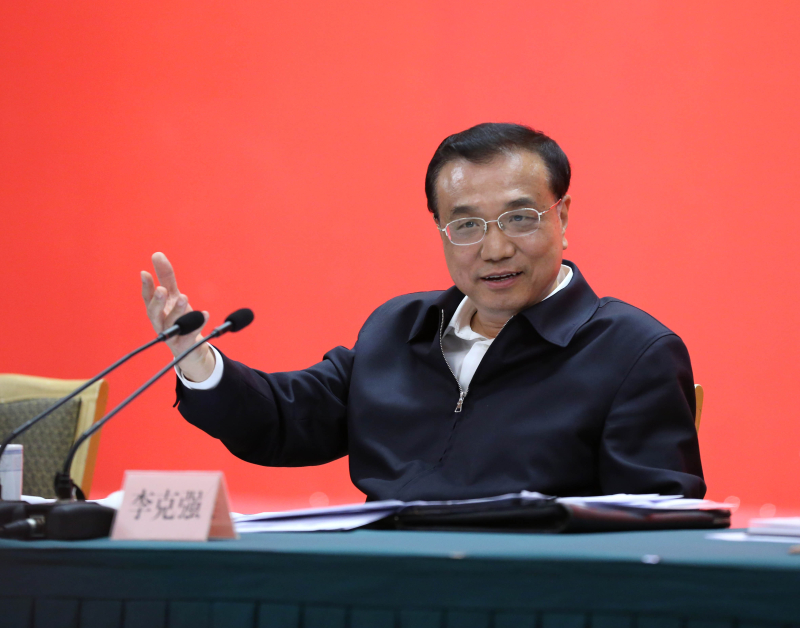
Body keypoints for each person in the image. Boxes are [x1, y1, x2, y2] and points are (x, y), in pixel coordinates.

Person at [141, 123, 705, 501]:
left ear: (562, 217)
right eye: (466, 225)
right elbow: (286, 422)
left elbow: (656, 527)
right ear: (440, 230)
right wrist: (197, 361)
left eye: (520, 218)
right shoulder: (398, 330)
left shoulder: (634, 352)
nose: (495, 249)